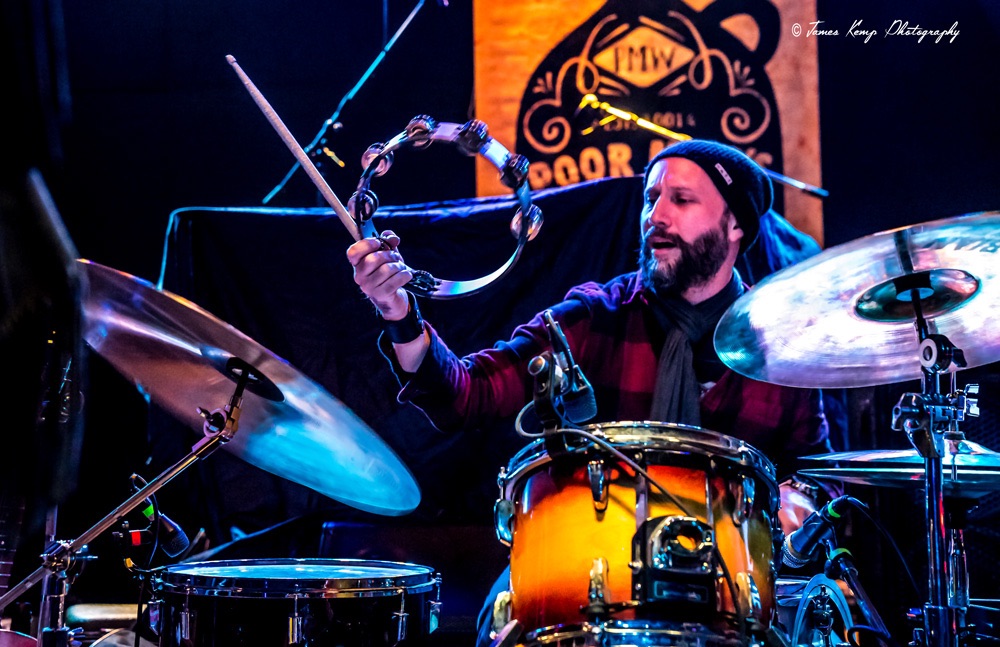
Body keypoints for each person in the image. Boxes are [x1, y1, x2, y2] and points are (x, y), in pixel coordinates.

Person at [347, 139, 835, 644]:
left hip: (727, 587)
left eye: (681, 200)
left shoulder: (779, 350)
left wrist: (797, 501)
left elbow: (821, 474)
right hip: (586, 575)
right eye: (651, 198)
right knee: (504, 619)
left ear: (736, 226)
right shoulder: (598, 315)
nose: (654, 216)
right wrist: (399, 313)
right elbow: (466, 393)